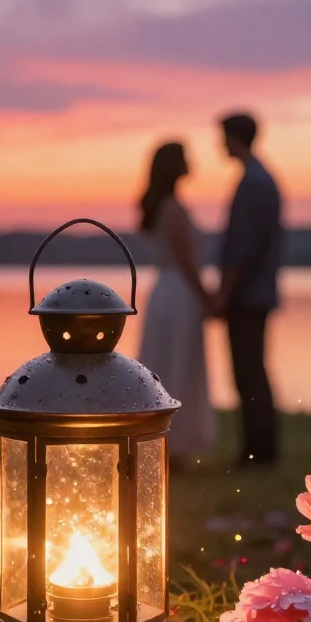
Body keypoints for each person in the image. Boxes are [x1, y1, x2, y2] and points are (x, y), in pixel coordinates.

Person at [135, 141, 217, 463]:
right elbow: (187, 260)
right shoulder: (174, 208)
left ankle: (162, 440)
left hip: (162, 293)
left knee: (163, 362)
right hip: (180, 294)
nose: (191, 162)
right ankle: (176, 444)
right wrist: (207, 298)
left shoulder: (157, 206)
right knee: (179, 364)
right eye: (185, 157)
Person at [213, 112, 282, 467]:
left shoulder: (254, 182)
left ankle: (258, 451)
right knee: (252, 370)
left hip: (248, 296)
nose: (219, 143)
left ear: (235, 137)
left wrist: (224, 294)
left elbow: (243, 248)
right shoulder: (259, 178)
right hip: (256, 293)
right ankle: (259, 447)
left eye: (223, 136)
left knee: (248, 372)